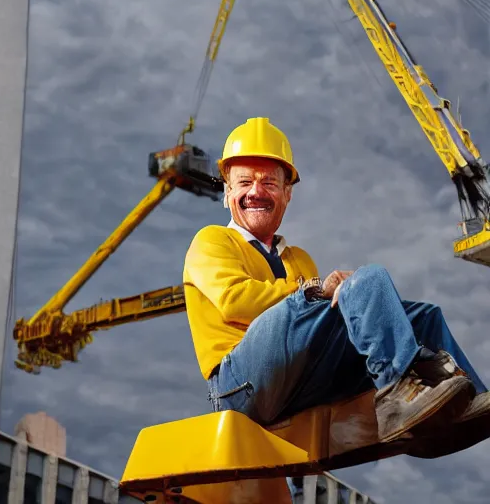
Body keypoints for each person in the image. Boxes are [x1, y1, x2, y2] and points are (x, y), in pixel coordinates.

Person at [183, 117, 489, 456]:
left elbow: (321, 331)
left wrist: (355, 299)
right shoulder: (212, 240)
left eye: (268, 183)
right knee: (367, 280)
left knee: (419, 316)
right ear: (228, 193)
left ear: (287, 193)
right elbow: (233, 301)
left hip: (297, 381)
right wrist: (316, 290)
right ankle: (396, 393)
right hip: (238, 386)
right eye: (244, 182)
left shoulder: (298, 258)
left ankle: (465, 398)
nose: (256, 191)